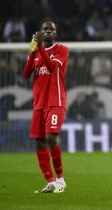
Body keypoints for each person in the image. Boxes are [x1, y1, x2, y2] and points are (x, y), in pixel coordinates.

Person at [23, 21, 69, 193]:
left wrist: (40, 48)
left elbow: (51, 68)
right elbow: (26, 74)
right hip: (39, 104)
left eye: (52, 29)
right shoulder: (35, 51)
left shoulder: (61, 50)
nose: (48, 31)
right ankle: (50, 183)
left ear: (55, 34)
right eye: (45, 29)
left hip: (55, 101)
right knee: (39, 142)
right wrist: (31, 53)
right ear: (40, 32)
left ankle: (61, 180)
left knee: (51, 138)